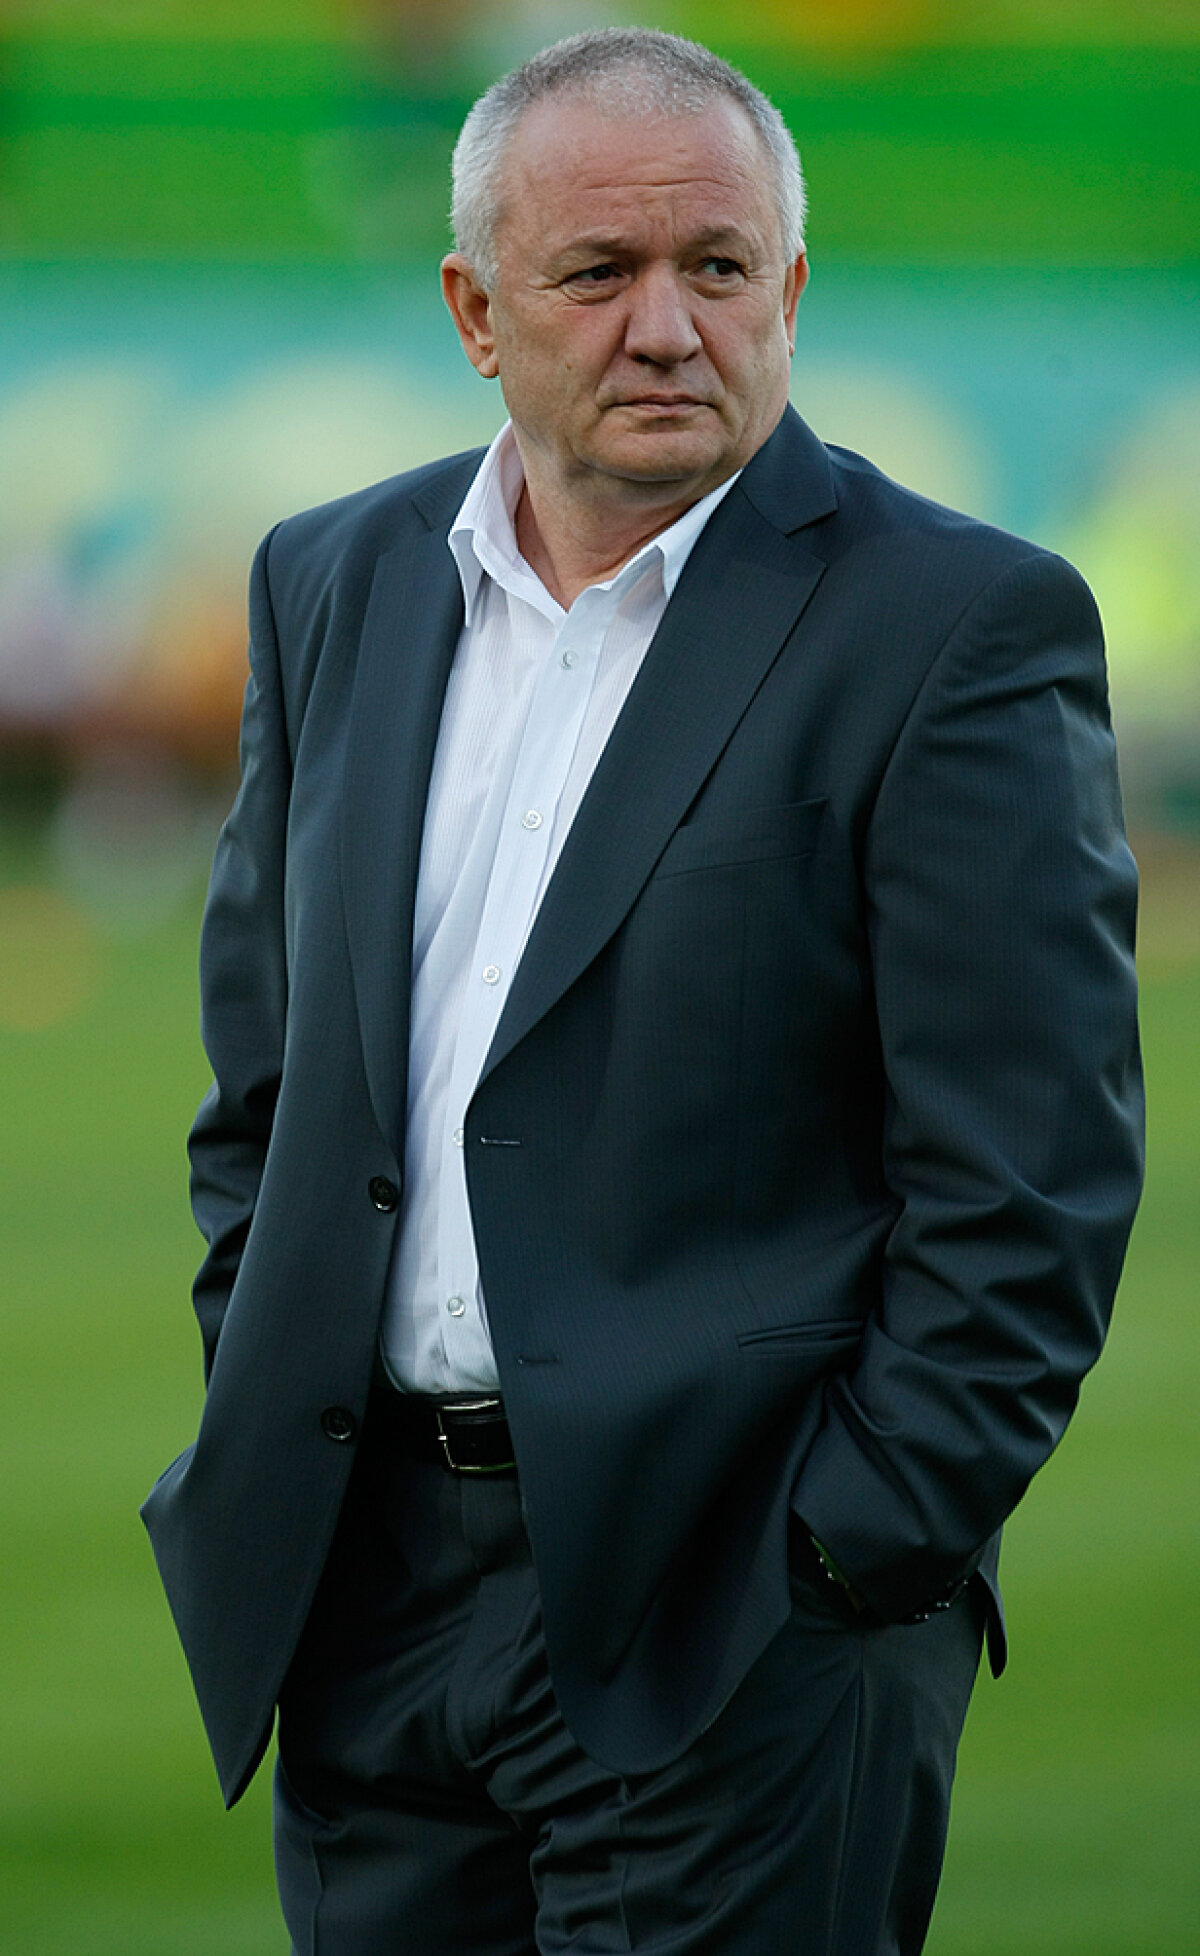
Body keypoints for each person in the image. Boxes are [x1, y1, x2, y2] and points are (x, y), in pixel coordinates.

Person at [143, 26, 1143, 1955]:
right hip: (366, 1599)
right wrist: (273, 1394)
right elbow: (266, 1090)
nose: (668, 327)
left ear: (792, 289)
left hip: (740, 1618)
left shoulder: (958, 625)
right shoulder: (334, 579)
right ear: (475, 311)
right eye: (599, 273)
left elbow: (1031, 1180)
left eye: (719, 267)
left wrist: (843, 1552)